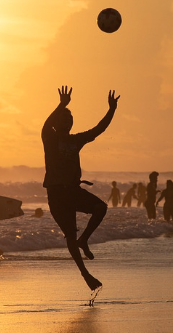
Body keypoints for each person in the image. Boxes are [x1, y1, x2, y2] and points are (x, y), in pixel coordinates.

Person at [42, 86, 118, 290]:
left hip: (73, 191)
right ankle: (85, 274)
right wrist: (61, 105)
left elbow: (98, 129)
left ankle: (85, 239)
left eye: (70, 120)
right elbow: (46, 125)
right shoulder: (50, 139)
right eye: (63, 120)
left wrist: (111, 109)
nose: (67, 123)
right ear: (57, 123)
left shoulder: (76, 140)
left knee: (101, 208)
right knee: (69, 235)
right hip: (57, 194)